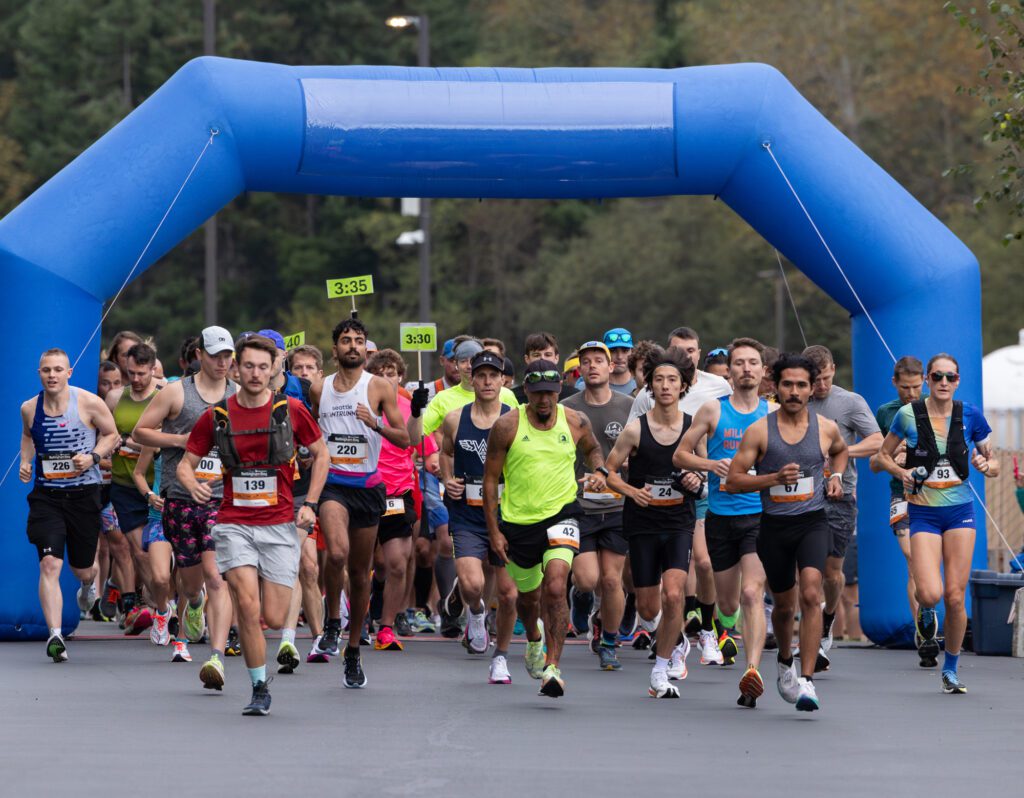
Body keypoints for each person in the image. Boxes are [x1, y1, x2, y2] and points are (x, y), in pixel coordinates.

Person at [178, 334, 328, 715]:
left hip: (278, 524)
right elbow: (185, 464)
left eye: (264, 366)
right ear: (235, 367)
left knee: (274, 617)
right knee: (246, 604)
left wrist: (310, 503)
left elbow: (321, 453)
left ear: (274, 367)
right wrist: (192, 484)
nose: (256, 373)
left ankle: (266, 636)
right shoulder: (217, 415)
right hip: (234, 522)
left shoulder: (291, 408)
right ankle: (259, 687)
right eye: (249, 366)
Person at [726, 352, 848, 712]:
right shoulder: (760, 430)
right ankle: (783, 662)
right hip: (774, 526)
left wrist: (836, 476)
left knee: (812, 594)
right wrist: (773, 479)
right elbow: (732, 481)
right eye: (788, 384)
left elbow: (840, 452)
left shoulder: (825, 427)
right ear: (775, 388)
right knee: (784, 605)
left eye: (801, 385)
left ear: (812, 390)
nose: (794, 391)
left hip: (812, 521)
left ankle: (807, 681)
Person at [484, 359, 608, 698]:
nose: (544, 401)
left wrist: (599, 471)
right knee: (528, 598)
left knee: (555, 586)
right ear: (526, 391)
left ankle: (552, 667)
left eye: (550, 394)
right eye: (537, 394)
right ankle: (534, 639)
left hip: (562, 514)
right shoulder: (507, 426)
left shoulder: (575, 420)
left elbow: (593, 449)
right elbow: (491, 480)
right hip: (518, 522)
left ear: (559, 392)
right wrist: (494, 531)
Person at [874, 353, 997, 694]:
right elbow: (882, 456)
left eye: (951, 377)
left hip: (960, 512)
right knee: (930, 591)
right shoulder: (907, 415)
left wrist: (989, 466)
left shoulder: (970, 414)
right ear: (928, 379)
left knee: (956, 598)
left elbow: (993, 459)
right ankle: (926, 612)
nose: (944, 382)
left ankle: (952, 668)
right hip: (924, 512)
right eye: (938, 376)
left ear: (958, 381)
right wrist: (902, 471)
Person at [309, 318, 410, 688]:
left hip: (368, 485)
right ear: (334, 349)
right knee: (336, 554)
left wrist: (376, 424)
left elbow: (404, 439)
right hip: (333, 484)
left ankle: (353, 650)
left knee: (360, 569)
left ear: (366, 349)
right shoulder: (319, 389)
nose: (353, 346)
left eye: (359, 341)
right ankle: (333, 621)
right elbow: (311, 433)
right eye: (346, 340)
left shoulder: (379, 386)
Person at [133, 327, 237, 682]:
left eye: (227, 356)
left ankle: (217, 657)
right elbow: (140, 432)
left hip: (224, 500)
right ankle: (193, 604)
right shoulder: (178, 392)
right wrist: (181, 439)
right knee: (192, 583)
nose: (222, 362)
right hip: (180, 498)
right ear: (200, 356)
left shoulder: (239, 395)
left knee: (216, 577)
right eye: (215, 355)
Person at [673, 337, 771, 707]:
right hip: (720, 517)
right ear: (729, 372)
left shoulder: (772, 413)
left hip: (759, 517)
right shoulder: (713, 410)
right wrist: (709, 464)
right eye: (740, 363)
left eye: (753, 362)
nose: (747, 369)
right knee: (729, 604)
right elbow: (681, 454)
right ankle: (724, 626)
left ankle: (752, 671)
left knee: (752, 594)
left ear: (763, 371)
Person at [606, 347, 704, 698]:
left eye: (672, 380)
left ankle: (661, 671)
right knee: (648, 606)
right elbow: (610, 473)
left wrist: (697, 480)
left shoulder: (694, 428)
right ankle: (671, 636)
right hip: (643, 522)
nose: (665, 386)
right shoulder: (635, 430)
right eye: (659, 379)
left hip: (679, 520)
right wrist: (632, 492)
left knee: (675, 593)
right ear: (650, 385)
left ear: (683, 386)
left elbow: (702, 470)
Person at [629, 327, 730, 657]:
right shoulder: (649, 393)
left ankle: (707, 629)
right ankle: (674, 626)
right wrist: (629, 485)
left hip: (697, 491)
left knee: (702, 562)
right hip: (651, 501)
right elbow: (632, 447)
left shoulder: (718, 386)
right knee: (653, 597)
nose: (684, 355)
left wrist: (703, 475)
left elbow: (715, 438)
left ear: (699, 353)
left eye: (690, 350)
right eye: (677, 349)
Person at [19, 348, 119, 662]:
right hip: (47, 497)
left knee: (82, 567)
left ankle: (89, 586)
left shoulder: (89, 403)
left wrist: (92, 457)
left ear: (69, 373)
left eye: (58, 370)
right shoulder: (29, 408)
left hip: (83, 495)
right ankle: (55, 635)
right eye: (47, 370)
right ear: (39, 373)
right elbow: (27, 436)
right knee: (50, 564)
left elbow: (112, 434)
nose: (52, 375)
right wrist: (25, 460)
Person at [438, 350, 518, 680]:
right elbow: (445, 452)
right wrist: (447, 480)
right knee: (473, 585)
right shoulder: (456, 418)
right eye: (480, 375)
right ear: (471, 379)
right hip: (467, 513)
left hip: (506, 514)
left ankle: (501, 656)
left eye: (492, 376)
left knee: (510, 592)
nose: (486, 382)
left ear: (503, 381)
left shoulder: (515, 418)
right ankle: (474, 611)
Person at [803, 345, 882, 672]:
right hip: (800, 495)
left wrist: (843, 451)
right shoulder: (796, 399)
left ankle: (826, 622)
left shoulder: (849, 402)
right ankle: (808, 634)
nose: (820, 385)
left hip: (840, 495)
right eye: (815, 380)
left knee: (833, 573)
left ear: (834, 369)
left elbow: (877, 440)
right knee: (805, 572)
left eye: (826, 378)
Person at [560, 340, 633, 670]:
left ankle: (608, 641)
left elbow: (640, 448)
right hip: (579, 505)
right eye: (585, 361)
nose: (592, 366)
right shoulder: (567, 407)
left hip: (618, 505)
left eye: (598, 361)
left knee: (611, 581)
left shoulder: (630, 405)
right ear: (579, 368)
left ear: (611, 367)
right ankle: (580, 596)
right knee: (588, 579)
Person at [366, 348, 437, 652]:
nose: (385, 378)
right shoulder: (360, 404)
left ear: (400, 377)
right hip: (362, 490)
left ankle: (385, 626)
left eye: (391, 373)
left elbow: (421, 445)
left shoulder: (408, 406)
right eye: (379, 373)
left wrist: (419, 413)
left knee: (396, 562)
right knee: (367, 563)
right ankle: (361, 610)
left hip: (398, 492)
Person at [869, 356, 925, 656]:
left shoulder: (937, 407)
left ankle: (927, 617)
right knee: (912, 557)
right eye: (905, 388)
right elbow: (875, 462)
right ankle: (923, 630)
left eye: (916, 387)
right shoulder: (885, 412)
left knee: (924, 566)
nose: (911, 394)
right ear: (894, 383)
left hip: (936, 496)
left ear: (925, 382)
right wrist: (894, 463)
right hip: (901, 493)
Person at [106, 341, 162, 635]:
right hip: (125, 485)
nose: (136, 380)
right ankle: (163, 610)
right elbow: (104, 435)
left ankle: (168, 603)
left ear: (153, 369)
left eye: (142, 373)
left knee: (164, 554)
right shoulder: (116, 397)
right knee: (139, 551)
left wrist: (128, 442)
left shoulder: (164, 397)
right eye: (131, 374)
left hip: (157, 485)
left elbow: (166, 441)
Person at [512, 332, 578, 403]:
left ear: (556, 358)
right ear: (527, 359)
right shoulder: (514, 396)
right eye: (536, 355)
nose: (542, 358)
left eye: (548, 355)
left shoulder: (573, 396)